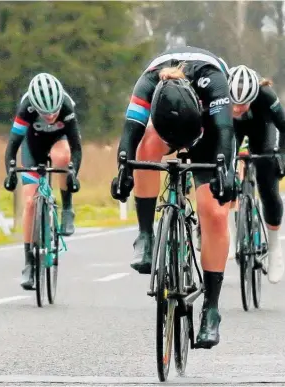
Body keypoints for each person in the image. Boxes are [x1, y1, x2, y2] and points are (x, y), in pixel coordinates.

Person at [111, 46, 235, 349]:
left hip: (208, 135)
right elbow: (129, 134)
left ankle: (211, 308)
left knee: (215, 214)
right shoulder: (149, 82)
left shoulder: (214, 82)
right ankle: (145, 236)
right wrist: (124, 171)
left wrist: (226, 175)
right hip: (166, 126)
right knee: (145, 149)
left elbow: (225, 132)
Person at [3, 72, 82, 290]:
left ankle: (67, 209)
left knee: (62, 158)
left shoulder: (66, 106)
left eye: (54, 112)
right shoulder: (26, 108)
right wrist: (10, 172)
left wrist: (73, 174)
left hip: (59, 142)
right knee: (29, 203)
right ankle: (29, 263)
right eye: (45, 114)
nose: (50, 116)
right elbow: (12, 146)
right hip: (33, 146)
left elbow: (76, 147)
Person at [225, 64, 285, 284]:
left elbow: (284, 126)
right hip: (232, 130)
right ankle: (230, 233)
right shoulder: (221, 93)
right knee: (225, 172)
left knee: (268, 185)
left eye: (244, 103)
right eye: (235, 103)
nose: (239, 108)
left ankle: (274, 247)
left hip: (263, 128)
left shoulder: (266, 95)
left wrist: (282, 158)